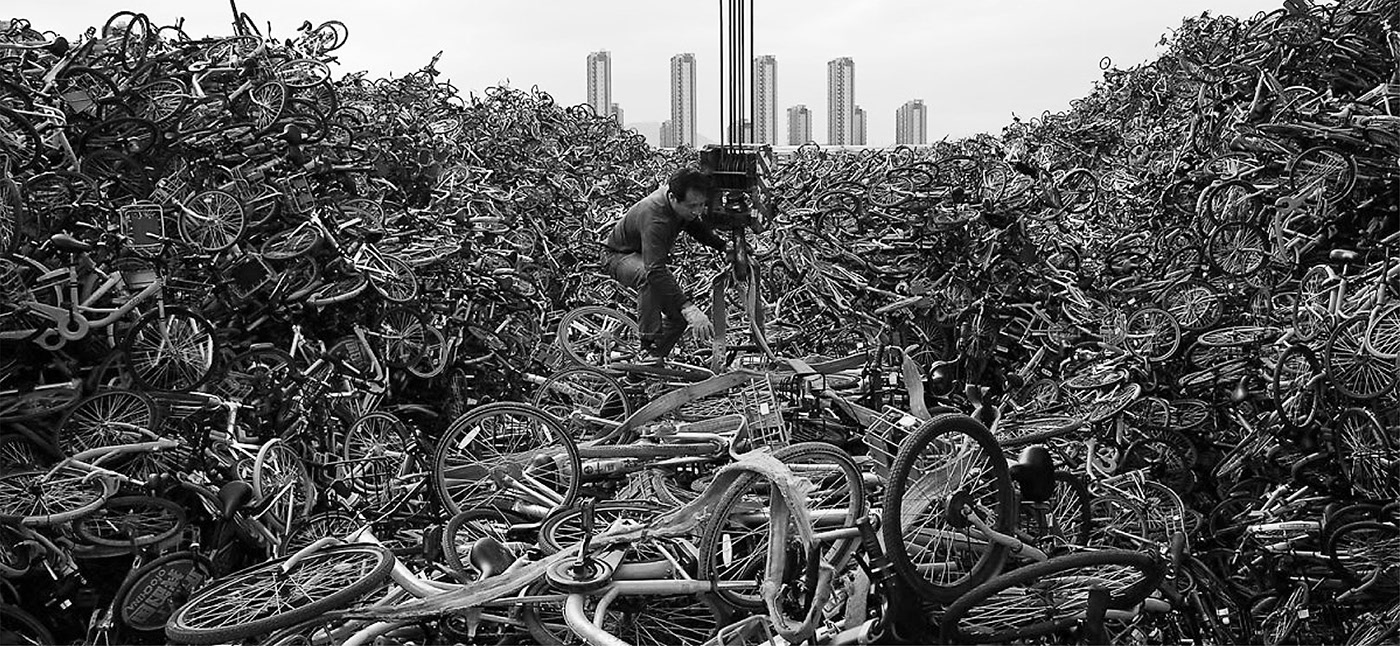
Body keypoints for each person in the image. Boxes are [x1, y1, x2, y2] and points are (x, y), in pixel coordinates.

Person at [599, 168, 728, 362]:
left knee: (678, 318)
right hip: (618, 256)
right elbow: (655, 270)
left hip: (644, 255)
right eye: (692, 206)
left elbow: (695, 227)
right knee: (648, 276)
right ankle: (647, 345)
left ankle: (648, 364)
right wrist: (689, 307)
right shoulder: (655, 218)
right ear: (673, 198)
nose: (697, 211)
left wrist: (723, 246)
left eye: (702, 204)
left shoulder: (680, 207)